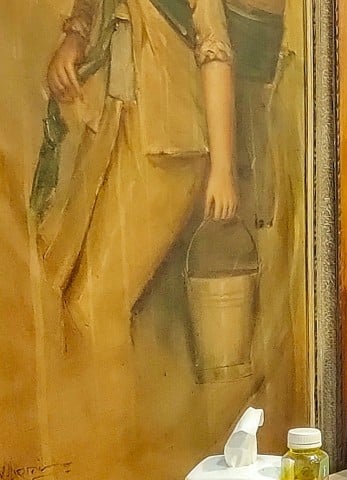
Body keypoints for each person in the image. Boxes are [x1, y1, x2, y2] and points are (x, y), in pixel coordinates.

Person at [37, 0, 238, 347]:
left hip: (169, 143)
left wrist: (222, 169)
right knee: (55, 281)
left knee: (94, 310)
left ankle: (112, 399)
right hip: (114, 122)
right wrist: (74, 39)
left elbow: (215, 52)